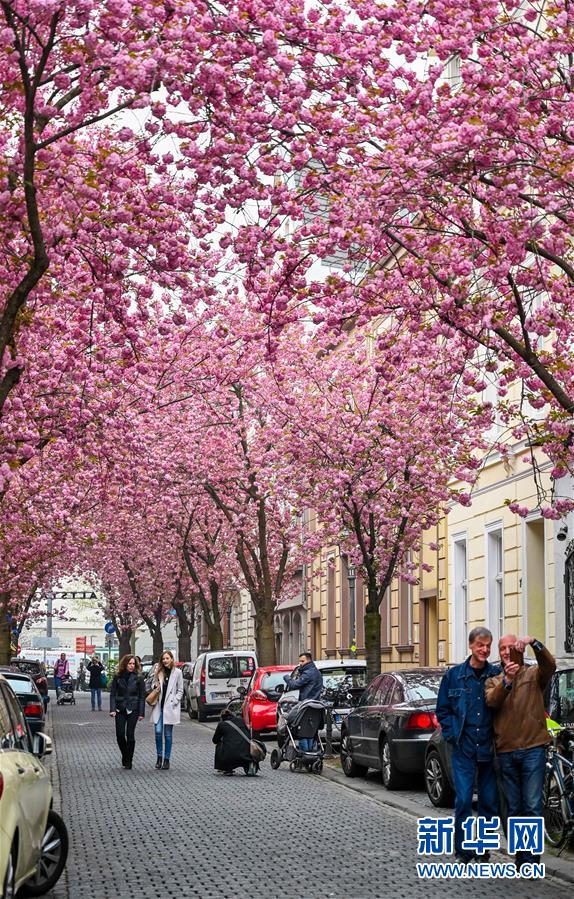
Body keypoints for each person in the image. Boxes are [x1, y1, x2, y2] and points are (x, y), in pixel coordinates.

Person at [486, 634, 556, 871]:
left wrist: (534, 642)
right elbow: (492, 702)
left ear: (517, 649)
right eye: (502, 648)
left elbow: (551, 665)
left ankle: (532, 861)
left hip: (533, 749)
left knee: (532, 805)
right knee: (514, 809)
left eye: (510, 647)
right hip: (506, 751)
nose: (507, 652)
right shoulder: (493, 679)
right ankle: (520, 857)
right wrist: (506, 680)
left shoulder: (533, 674)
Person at [436, 627, 500, 863]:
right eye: (480, 645)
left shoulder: (495, 674)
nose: (484, 649)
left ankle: (483, 850)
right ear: (471, 646)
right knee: (463, 800)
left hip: (488, 747)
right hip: (463, 747)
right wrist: (453, 734)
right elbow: (443, 709)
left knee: (488, 802)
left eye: (488, 645)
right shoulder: (453, 676)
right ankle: (462, 851)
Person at [109, 655, 145, 769]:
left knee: (130, 735)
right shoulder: (118, 676)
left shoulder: (139, 677)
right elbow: (112, 694)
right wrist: (112, 709)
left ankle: (129, 760)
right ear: (125, 664)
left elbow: (142, 696)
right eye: (129, 664)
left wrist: (141, 712)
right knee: (120, 735)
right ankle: (125, 755)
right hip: (120, 708)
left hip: (133, 708)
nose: (131, 666)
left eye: (133, 664)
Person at [283, 652, 323, 751]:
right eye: (299, 661)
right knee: (310, 731)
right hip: (315, 704)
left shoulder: (308, 673)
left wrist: (287, 678)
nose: (300, 663)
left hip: (306, 704)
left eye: (302, 661)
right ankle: (311, 753)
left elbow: (294, 685)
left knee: (302, 731)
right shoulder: (317, 672)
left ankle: (304, 755)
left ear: (308, 660)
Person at [150, 650, 183, 770]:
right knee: (158, 732)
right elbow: (152, 683)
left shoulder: (178, 672)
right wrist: (155, 686)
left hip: (170, 707)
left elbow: (180, 690)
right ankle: (159, 757)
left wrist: (175, 701)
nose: (165, 661)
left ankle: (166, 760)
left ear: (172, 659)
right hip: (159, 705)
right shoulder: (159, 671)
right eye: (163, 659)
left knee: (168, 735)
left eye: (167, 658)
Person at [212, 708, 259, 776]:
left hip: (230, 755)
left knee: (219, 745)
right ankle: (249, 764)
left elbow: (215, 740)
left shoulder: (221, 724)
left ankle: (225, 768)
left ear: (222, 718)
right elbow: (248, 735)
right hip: (246, 753)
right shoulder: (241, 720)